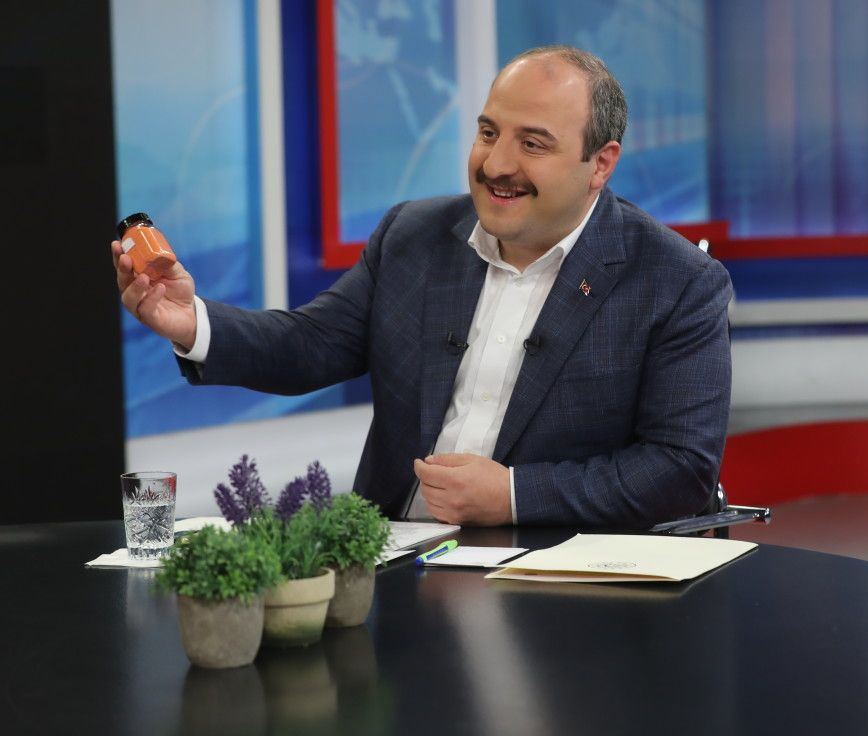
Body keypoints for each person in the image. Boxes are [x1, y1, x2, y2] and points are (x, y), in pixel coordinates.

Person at [113, 45, 732, 529]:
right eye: (488, 133)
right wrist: (192, 322)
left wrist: (514, 495)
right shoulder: (413, 236)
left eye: (532, 144)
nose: (496, 165)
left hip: (557, 577)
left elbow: (679, 468)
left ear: (600, 163)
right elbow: (311, 345)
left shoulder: (677, 282)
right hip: (394, 564)